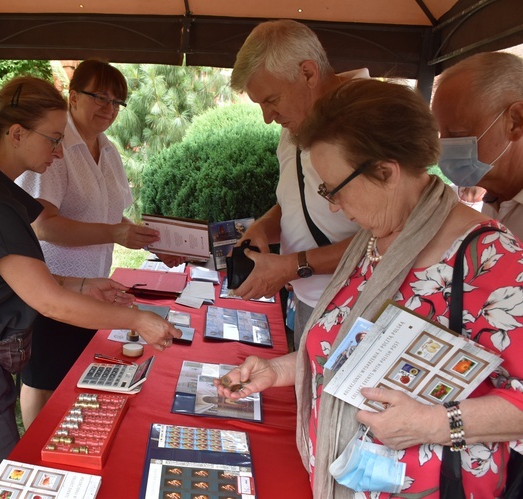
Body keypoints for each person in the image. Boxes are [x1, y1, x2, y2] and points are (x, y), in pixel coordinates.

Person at [216, 79, 523, 497]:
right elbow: (351, 354)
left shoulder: (489, 257)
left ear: (386, 172)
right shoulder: (372, 240)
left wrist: (431, 423)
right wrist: (279, 370)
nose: (332, 205)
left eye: (335, 188)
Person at [0, 75, 181, 499]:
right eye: (53, 139)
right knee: (3, 485)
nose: (59, 151)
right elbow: (50, 303)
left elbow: (13, 276)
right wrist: (136, 319)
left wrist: (82, 283)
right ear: (16, 134)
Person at [15, 60, 178, 428]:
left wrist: (152, 242)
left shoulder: (107, 150)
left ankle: (59, 442)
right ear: (73, 97)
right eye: (99, 97)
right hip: (50, 282)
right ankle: (35, 453)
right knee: (41, 378)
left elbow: (111, 219)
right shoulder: (55, 149)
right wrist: (114, 234)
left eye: (117, 101)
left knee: (72, 373)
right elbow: (44, 226)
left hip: (93, 285)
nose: (109, 108)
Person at [227, 20, 366, 349]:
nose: (267, 117)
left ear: (307, 73)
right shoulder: (296, 120)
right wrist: (263, 227)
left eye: (271, 100)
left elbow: (391, 237)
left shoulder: (368, 121)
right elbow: (296, 201)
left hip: (356, 307)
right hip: (306, 300)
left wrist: (292, 266)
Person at [432, 51, 523, 238]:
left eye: (458, 133)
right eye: (441, 133)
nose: (442, 147)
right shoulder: (496, 198)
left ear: (516, 122)